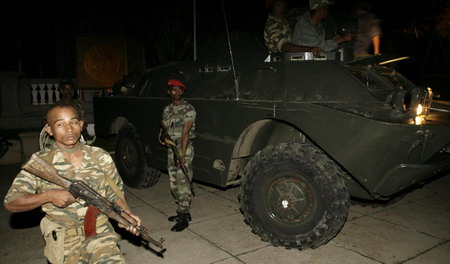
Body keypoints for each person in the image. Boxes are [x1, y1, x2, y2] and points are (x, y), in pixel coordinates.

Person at [4, 101, 141, 264]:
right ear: (49, 130)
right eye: (60, 124)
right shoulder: (41, 163)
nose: (69, 129)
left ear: (81, 125)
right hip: (63, 239)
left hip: (100, 232)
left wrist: (125, 215)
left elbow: (115, 194)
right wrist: (48, 196)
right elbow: (11, 203)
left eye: (73, 122)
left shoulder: (100, 157)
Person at [161, 79, 196, 232]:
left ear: (183, 92)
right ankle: (184, 211)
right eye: (173, 90)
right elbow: (164, 130)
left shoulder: (188, 109)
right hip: (171, 149)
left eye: (179, 90)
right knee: (174, 182)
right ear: (169, 92)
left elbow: (186, 132)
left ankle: (183, 217)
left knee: (183, 184)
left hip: (184, 149)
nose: (176, 92)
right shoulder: (167, 110)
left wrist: (181, 154)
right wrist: (164, 141)